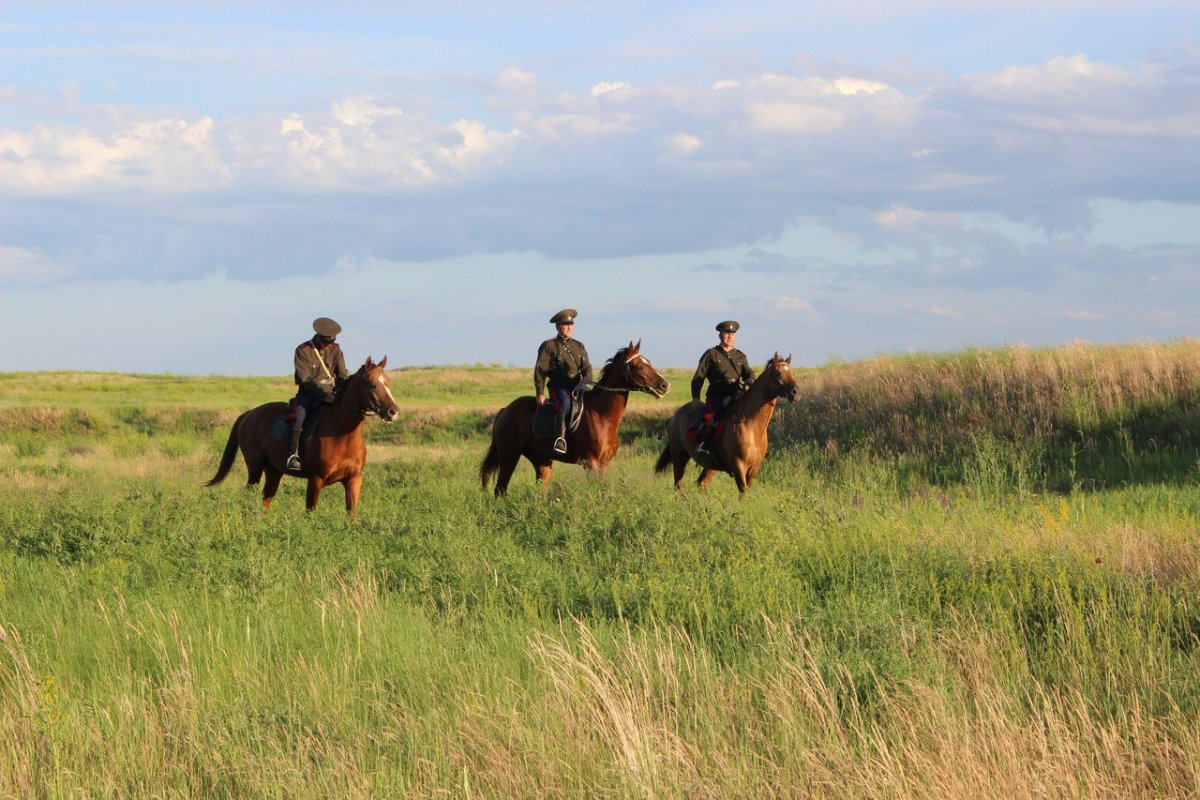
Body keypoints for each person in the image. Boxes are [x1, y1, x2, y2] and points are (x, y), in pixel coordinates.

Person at [288, 317, 350, 470]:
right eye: (326, 342)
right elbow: (305, 380)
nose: (329, 345)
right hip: (308, 394)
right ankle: (293, 454)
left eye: (331, 341)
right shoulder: (303, 351)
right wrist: (324, 396)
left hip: (331, 393)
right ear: (318, 337)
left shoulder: (336, 350)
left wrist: (343, 392)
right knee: (300, 417)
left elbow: (342, 375)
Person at [691, 320, 755, 455]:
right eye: (727, 333)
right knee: (713, 417)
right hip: (718, 394)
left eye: (733, 334)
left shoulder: (740, 356)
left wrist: (751, 380)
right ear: (720, 335)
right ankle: (703, 443)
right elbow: (698, 377)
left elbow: (748, 373)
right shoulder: (711, 354)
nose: (730, 337)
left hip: (737, 393)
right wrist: (696, 397)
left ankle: (755, 446)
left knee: (752, 414)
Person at [534, 308, 592, 453]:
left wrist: (586, 379)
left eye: (571, 324)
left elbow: (587, 367)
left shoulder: (579, 346)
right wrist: (540, 392)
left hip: (578, 386)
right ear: (558, 326)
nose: (569, 327)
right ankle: (560, 440)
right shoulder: (549, 345)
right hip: (559, 386)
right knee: (565, 405)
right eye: (565, 324)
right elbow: (540, 371)